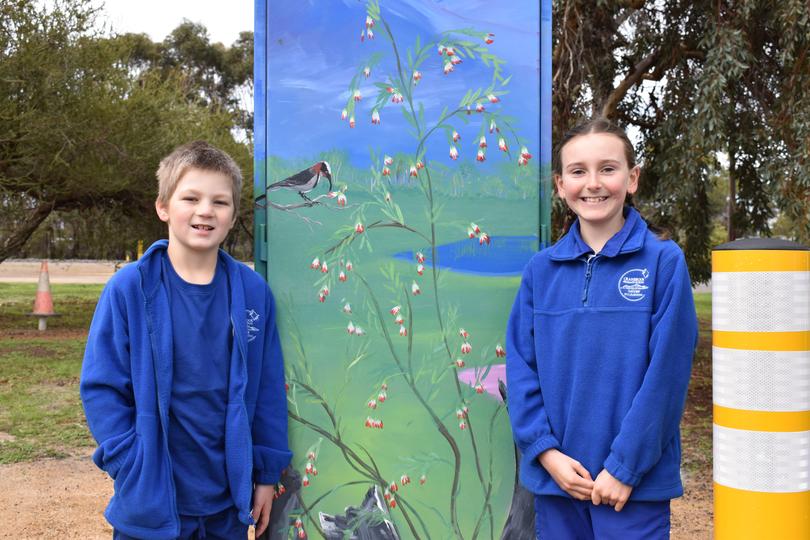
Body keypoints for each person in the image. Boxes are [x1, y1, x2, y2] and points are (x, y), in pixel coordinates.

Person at [80, 141, 292, 539]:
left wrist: (264, 474)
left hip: (226, 502)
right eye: (190, 197)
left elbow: (266, 391)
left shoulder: (253, 294)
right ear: (163, 206)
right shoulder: (128, 288)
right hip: (152, 500)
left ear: (232, 216)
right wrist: (131, 462)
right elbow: (101, 387)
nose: (205, 211)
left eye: (220, 202)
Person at [505, 118, 698, 539]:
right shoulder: (541, 271)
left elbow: (666, 378)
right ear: (560, 185)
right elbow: (521, 370)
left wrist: (625, 467)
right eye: (578, 171)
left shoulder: (663, 262)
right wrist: (547, 454)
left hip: (633, 488)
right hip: (559, 484)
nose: (593, 183)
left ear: (632, 179)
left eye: (608, 169)